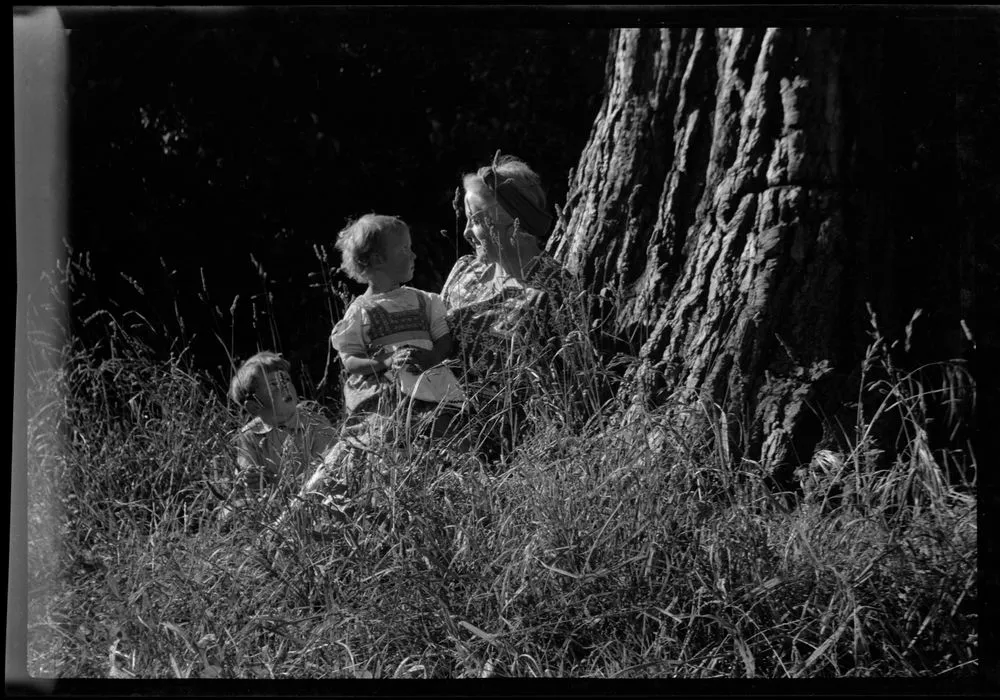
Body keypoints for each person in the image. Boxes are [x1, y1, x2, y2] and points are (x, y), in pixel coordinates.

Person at [442, 154, 589, 458]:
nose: (468, 232)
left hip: (504, 444)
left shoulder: (551, 289)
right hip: (436, 421)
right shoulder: (465, 272)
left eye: (477, 220)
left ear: (513, 221)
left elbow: (572, 387)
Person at [330, 213, 466, 449]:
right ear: (378, 259)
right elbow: (350, 359)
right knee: (389, 442)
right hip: (387, 397)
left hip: (432, 384)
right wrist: (385, 361)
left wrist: (432, 358)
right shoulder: (360, 311)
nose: (413, 255)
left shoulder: (425, 301)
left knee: (446, 435)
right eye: (404, 249)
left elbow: (444, 339)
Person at [219, 351, 339, 522]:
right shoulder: (249, 435)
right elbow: (247, 473)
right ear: (254, 406)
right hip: (273, 504)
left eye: (286, 380)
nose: (285, 387)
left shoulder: (314, 422)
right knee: (231, 512)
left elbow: (329, 466)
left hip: (316, 496)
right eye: (274, 384)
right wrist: (252, 479)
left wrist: (281, 484)